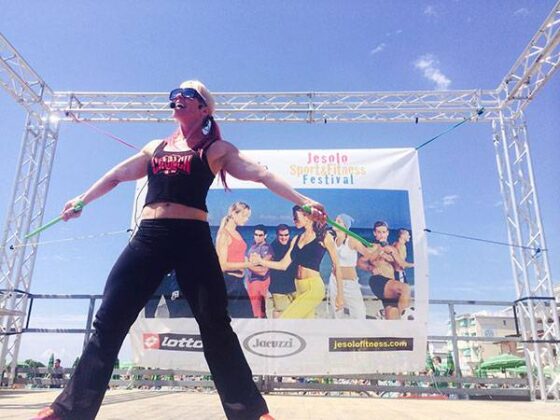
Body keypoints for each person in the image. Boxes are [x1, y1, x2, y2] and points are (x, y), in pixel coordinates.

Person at [33, 80, 326, 420]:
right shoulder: (154, 147)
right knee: (109, 320)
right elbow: (116, 175)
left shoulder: (216, 149)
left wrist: (304, 202)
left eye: (188, 95)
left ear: (204, 108)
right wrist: (82, 200)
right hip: (149, 238)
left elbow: (262, 175)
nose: (178, 98)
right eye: (175, 94)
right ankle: (67, 411)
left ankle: (251, 413)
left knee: (215, 324)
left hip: (191, 239)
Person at [252, 206, 343, 319]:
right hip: (298, 287)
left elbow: (337, 266)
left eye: (296, 217)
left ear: (307, 216)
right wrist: (261, 261)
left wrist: (340, 295)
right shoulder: (296, 239)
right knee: (305, 324)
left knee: (285, 319)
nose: (294, 220)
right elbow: (283, 265)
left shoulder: (324, 237)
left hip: (313, 287)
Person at [357, 221, 411, 320]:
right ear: (375, 233)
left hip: (391, 283)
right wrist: (371, 268)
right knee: (405, 288)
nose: (382, 235)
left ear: (387, 233)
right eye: (379, 232)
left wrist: (391, 254)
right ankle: (404, 320)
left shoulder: (392, 248)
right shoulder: (373, 247)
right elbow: (360, 262)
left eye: (384, 232)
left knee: (392, 318)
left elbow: (400, 265)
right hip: (379, 281)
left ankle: (383, 314)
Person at [215, 201, 254, 318]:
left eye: (248, 217)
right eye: (244, 216)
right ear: (233, 213)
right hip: (229, 283)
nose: (246, 219)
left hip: (238, 282)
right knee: (246, 320)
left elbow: (238, 255)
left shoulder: (236, 232)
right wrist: (247, 265)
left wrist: (250, 259)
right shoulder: (224, 234)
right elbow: (222, 265)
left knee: (246, 319)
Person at [327, 214, 367, 319]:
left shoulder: (352, 240)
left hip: (350, 283)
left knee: (359, 314)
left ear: (345, 226)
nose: (335, 222)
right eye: (335, 220)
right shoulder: (332, 240)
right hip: (335, 281)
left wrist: (367, 265)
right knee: (336, 313)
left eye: (339, 221)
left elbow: (367, 254)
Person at [268, 224, 297, 318]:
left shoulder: (294, 244)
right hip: (278, 286)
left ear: (289, 234)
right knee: (280, 311)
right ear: (277, 235)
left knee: (296, 312)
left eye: (286, 235)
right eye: (281, 235)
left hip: (294, 285)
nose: (284, 237)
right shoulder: (272, 247)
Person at [246, 224, 273, 318]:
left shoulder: (267, 248)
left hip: (261, 281)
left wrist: (248, 265)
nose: (257, 237)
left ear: (265, 236)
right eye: (256, 234)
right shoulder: (252, 246)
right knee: (255, 310)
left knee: (258, 311)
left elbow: (264, 271)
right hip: (251, 281)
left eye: (260, 235)